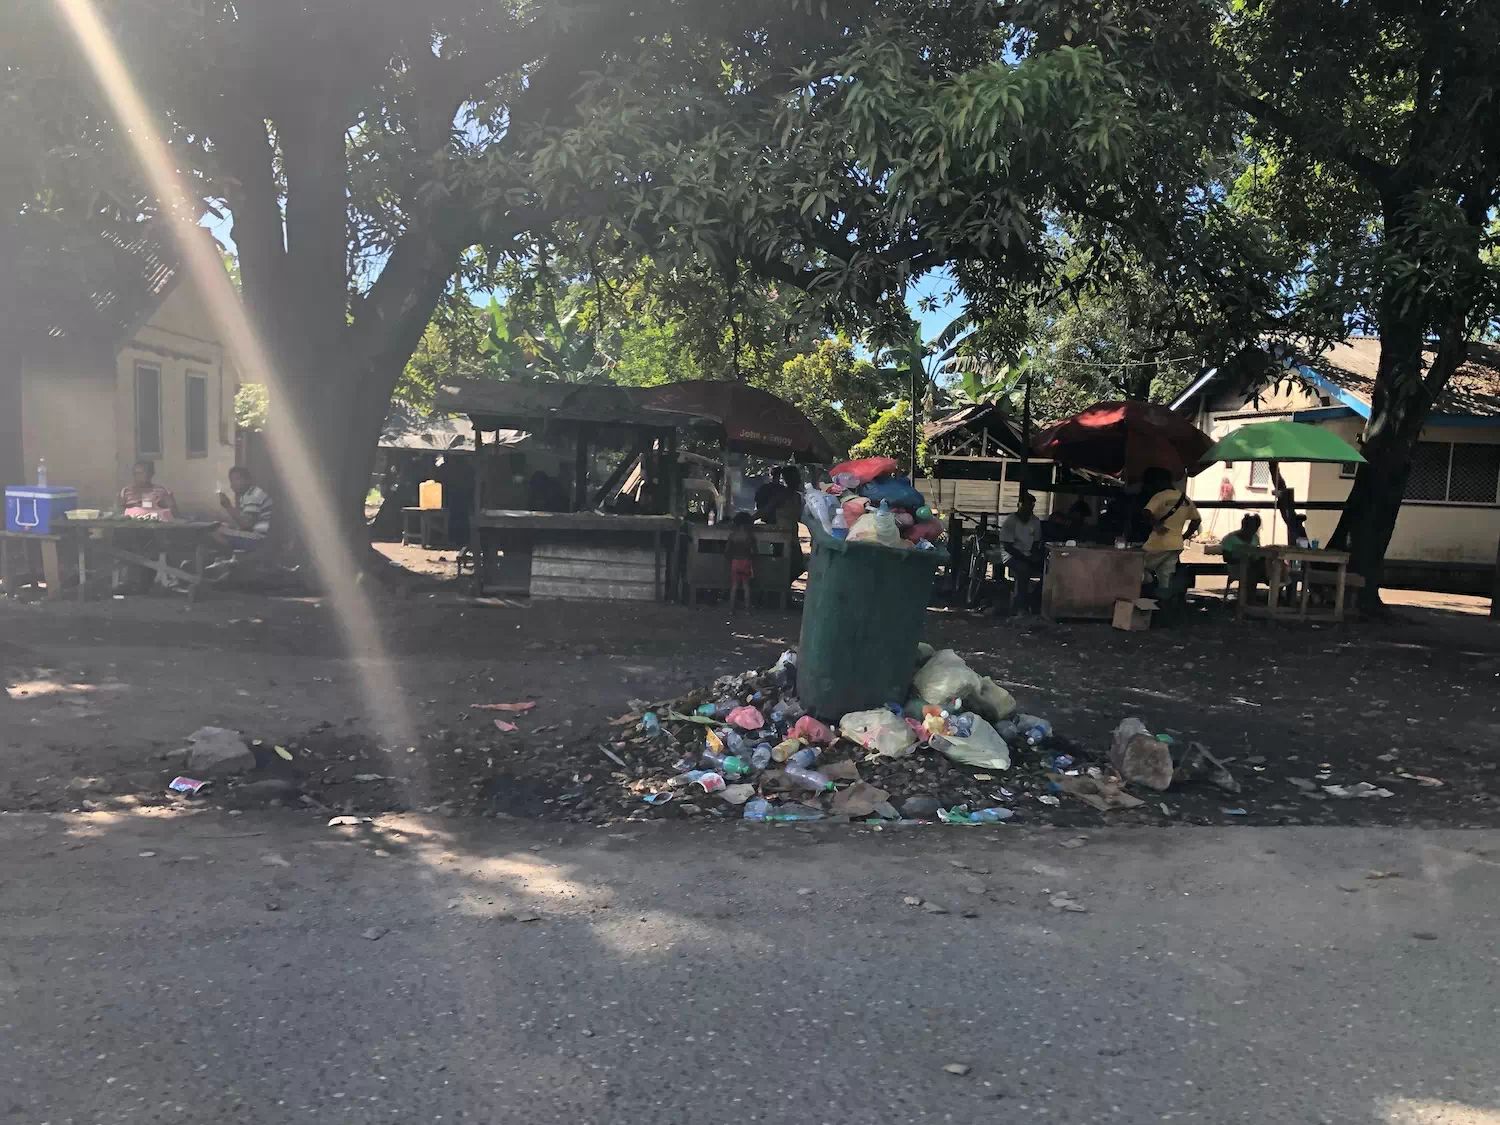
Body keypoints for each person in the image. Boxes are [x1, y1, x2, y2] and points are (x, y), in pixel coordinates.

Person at [1140, 468, 1201, 593]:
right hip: (1176, 544)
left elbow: (1146, 512)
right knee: (1165, 576)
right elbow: (1197, 520)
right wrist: (1184, 536)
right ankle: (1164, 604)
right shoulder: (1185, 498)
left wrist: (1156, 524)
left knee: (1138, 567)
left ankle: (1146, 591)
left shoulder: (1160, 496)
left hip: (1157, 543)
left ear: (1159, 481)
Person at [996, 491, 1045, 613]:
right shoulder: (1010, 521)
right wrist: (1026, 558)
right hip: (1011, 555)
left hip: (1027, 554)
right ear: (1019, 505)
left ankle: (1033, 599)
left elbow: (1035, 542)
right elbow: (1007, 546)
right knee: (1024, 570)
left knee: (1047, 570)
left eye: (1031, 506)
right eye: (1027, 505)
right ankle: (1019, 605)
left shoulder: (1035, 521)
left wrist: (1035, 556)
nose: (1029, 509)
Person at [213, 465, 273, 550]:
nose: (233, 484)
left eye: (237, 479)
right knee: (221, 527)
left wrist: (228, 506)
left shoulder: (253, 495)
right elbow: (244, 523)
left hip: (258, 538)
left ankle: (235, 558)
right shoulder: (246, 495)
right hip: (256, 536)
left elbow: (247, 525)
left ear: (248, 480)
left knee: (215, 532)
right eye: (231, 480)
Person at [725, 511, 757, 612]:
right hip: (746, 561)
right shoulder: (750, 536)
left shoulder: (732, 536)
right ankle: (747, 610)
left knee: (734, 586)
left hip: (735, 562)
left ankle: (731, 609)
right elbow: (754, 551)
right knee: (746, 586)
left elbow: (727, 551)